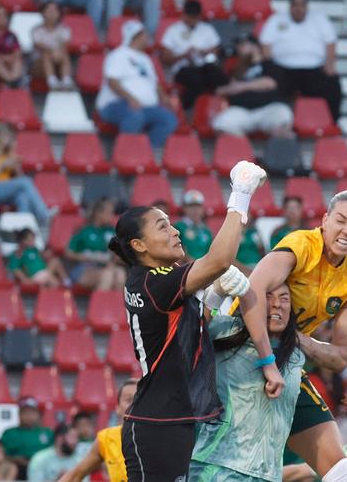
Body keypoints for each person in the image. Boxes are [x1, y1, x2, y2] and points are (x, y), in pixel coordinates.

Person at [107, 161, 283, 480]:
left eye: (171, 223)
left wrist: (213, 294)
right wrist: (240, 194)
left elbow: (190, 325)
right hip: (156, 425)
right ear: (139, 245)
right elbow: (219, 259)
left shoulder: (155, 281)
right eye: (162, 226)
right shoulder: (153, 280)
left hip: (173, 422)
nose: (174, 230)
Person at [242, 190, 347, 481]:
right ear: (325, 220)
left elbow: (341, 354)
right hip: (240, 350)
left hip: (287, 362)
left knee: (341, 472)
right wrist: (268, 360)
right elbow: (252, 289)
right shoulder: (301, 244)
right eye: (341, 220)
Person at [189, 283, 304, 481]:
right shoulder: (225, 330)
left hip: (268, 474)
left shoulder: (296, 355)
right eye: (267, 297)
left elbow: (338, 355)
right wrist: (216, 292)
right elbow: (189, 334)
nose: (277, 304)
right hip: (217, 467)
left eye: (285, 298)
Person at [96, 20, 178, 149]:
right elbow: (112, 82)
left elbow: (154, 83)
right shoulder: (118, 55)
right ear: (136, 36)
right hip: (115, 104)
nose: (147, 38)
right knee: (134, 115)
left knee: (168, 120)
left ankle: (146, 153)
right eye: (144, 35)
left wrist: (165, 98)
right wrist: (130, 99)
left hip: (145, 106)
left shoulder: (146, 58)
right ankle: (126, 154)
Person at [260, 0, 342, 122]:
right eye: (295, 5)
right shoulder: (276, 19)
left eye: (302, 5)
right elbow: (265, 45)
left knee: (332, 83)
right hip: (283, 70)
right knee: (267, 79)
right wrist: (270, 66)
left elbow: (330, 43)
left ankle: (332, 121)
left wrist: (329, 64)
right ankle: (270, 121)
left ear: (306, 6)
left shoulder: (319, 19)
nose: (298, 9)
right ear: (290, 6)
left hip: (313, 70)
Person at [213, 34, 293, 137]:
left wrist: (241, 86)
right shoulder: (237, 70)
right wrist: (233, 87)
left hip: (268, 109)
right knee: (221, 124)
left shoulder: (268, 64)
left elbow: (269, 83)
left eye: (242, 45)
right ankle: (245, 150)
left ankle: (275, 150)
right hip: (242, 111)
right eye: (238, 46)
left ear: (255, 47)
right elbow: (221, 90)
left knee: (283, 115)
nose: (239, 49)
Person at [58, 379, 138, 482]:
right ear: (117, 408)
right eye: (129, 399)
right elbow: (75, 475)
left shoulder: (162, 437)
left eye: (140, 399)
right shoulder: (106, 438)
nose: (135, 404)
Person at [160, 0, 226, 110]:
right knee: (196, 80)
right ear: (184, 15)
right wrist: (184, 55)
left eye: (195, 17)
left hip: (204, 66)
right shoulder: (173, 30)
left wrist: (205, 52)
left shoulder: (207, 29)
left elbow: (216, 51)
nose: (193, 20)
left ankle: (221, 107)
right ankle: (188, 110)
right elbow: (165, 59)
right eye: (190, 17)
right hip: (183, 68)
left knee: (217, 75)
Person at [0, 123, 51, 226]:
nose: (9, 139)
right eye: (7, 136)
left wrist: (16, 168)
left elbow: (20, 179)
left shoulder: (8, 154)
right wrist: (2, 166)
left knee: (23, 197)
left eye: (11, 137)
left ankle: (22, 228)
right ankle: (43, 214)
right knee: (26, 182)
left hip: (6, 191)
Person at [65, 199, 125, 291]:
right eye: (109, 213)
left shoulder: (111, 231)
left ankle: (115, 305)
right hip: (84, 268)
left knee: (120, 274)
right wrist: (83, 257)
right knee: (107, 275)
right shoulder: (84, 230)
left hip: (105, 266)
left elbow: (118, 255)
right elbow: (68, 252)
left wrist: (114, 256)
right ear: (98, 214)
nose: (112, 216)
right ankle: (100, 305)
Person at [1, 397, 53, 480]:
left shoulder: (47, 432)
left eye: (32, 412)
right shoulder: (9, 433)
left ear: (38, 414)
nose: (28, 416)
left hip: (44, 468)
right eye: (25, 412)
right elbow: (3, 455)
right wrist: (22, 461)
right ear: (19, 414)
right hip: (19, 468)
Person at [31, 1, 73, 90]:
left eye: (55, 10)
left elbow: (65, 45)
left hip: (58, 60)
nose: (52, 12)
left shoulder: (64, 29)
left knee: (64, 53)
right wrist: (52, 51)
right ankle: (52, 82)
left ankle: (66, 80)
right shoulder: (36, 30)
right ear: (43, 13)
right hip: (39, 66)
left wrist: (56, 52)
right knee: (46, 53)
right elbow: (39, 45)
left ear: (59, 13)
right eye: (49, 10)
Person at [174, 190, 213, 263]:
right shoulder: (178, 227)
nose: (195, 209)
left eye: (198, 206)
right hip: (186, 268)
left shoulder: (207, 231)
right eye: (191, 206)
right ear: (184, 208)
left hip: (205, 268)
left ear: (202, 208)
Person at [0, 6, 23, 87]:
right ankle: (10, 81)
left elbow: (17, 53)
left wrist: (3, 58)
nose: (2, 18)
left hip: (6, 65)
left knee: (17, 60)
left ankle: (14, 80)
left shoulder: (11, 36)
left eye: (4, 16)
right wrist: (0, 58)